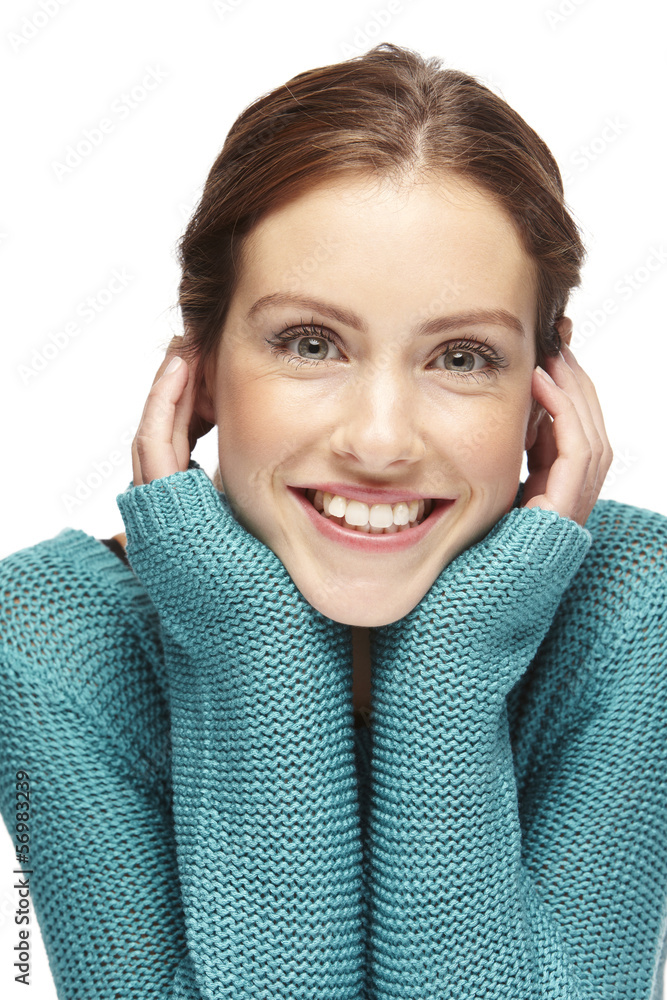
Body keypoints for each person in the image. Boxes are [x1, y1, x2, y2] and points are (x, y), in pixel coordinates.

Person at [1, 41, 666, 999]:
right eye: (311, 344)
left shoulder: (636, 609)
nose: (380, 440)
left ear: (545, 387)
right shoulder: (45, 637)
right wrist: (250, 643)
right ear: (199, 368)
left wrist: (453, 668)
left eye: (462, 357)